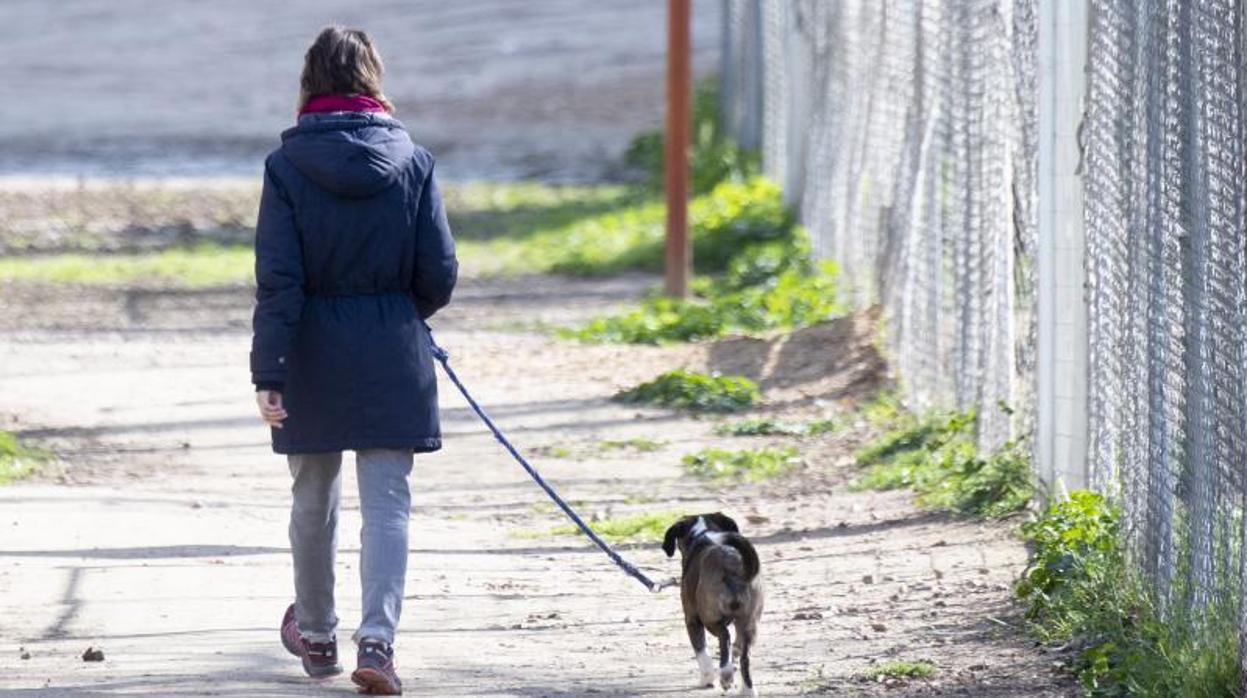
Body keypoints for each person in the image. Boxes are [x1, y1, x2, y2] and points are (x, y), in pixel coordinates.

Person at [250, 26, 457, 695]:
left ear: (309, 82)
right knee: (388, 504)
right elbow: (440, 272)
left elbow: (279, 281)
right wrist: (398, 316)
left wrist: (269, 370)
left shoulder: (285, 169)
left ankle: (315, 634)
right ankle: (378, 639)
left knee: (313, 498)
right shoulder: (415, 161)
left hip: (310, 349)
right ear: (373, 77)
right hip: (393, 346)